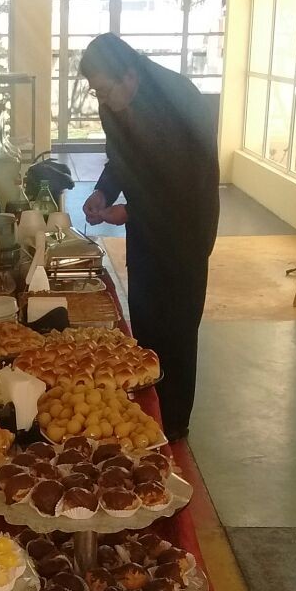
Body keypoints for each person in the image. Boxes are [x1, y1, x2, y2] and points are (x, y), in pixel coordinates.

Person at [80, 33, 219, 441]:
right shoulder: (113, 104)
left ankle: (173, 426)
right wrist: (104, 192)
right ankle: (145, 414)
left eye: (105, 90)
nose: (103, 101)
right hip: (146, 230)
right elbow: (120, 158)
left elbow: (185, 182)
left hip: (185, 229)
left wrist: (130, 211)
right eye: (96, 93)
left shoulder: (180, 101)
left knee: (177, 329)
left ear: (129, 76)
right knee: (144, 319)